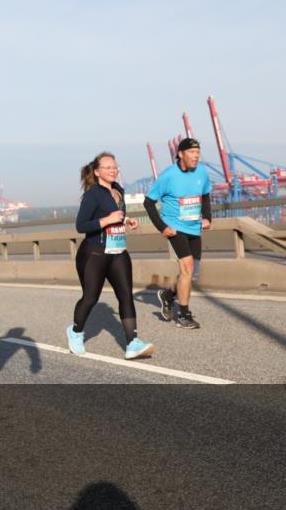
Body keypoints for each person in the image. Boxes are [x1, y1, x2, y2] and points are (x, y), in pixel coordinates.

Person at [68, 153, 153, 359]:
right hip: (94, 254)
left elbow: (117, 216)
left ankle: (132, 343)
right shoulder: (92, 194)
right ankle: (76, 332)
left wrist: (126, 220)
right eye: (107, 167)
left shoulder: (119, 191)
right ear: (97, 172)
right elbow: (81, 225)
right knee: (90, 298)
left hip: (118, 252)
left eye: (115, 167)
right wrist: (107, 220)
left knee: (125, 296)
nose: (113, 170)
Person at [144, 137, 212, 329]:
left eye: (198, 153)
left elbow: (205, 195)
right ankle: (183, 315)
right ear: (180, 154)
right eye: (192, 152)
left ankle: (168, 295)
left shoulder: (202, 172)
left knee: (193, 273)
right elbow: (148, 203)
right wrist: (163, 227)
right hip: (175, 228)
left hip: (194, 227)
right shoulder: (168, 176)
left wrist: (207, 217)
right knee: (188, 268)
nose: (196, 156)